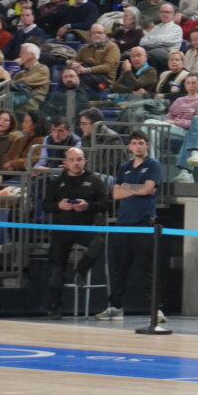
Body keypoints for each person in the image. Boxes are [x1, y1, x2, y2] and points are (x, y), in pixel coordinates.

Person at [95, 131, 163, 323]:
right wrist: (138, 188)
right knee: (119, 269)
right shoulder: (124, 167)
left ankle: (156, 310)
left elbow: (148, 189)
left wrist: (129, 188)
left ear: (147, 145)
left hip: (143, 224)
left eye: (141, 143)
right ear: (129, 147)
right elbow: (116, 194)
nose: (138, 146)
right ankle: (115, 307)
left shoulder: (153, 165)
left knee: (148, 269)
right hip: (124, 223)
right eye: (134, 143)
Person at [42, 148, 110, 319]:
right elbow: (46, 205)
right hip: (62, 230)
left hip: (84, 228)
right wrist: (59, 205)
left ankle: (81, 270)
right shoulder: (56, 182)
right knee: (56, 270)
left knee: (99, 243)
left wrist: (88, 206)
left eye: (79, 159)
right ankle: (53, 308)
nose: (76, 163)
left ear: (85, 161)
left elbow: (106, 203)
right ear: (66, 163)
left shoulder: (94, 180)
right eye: (72, 159)